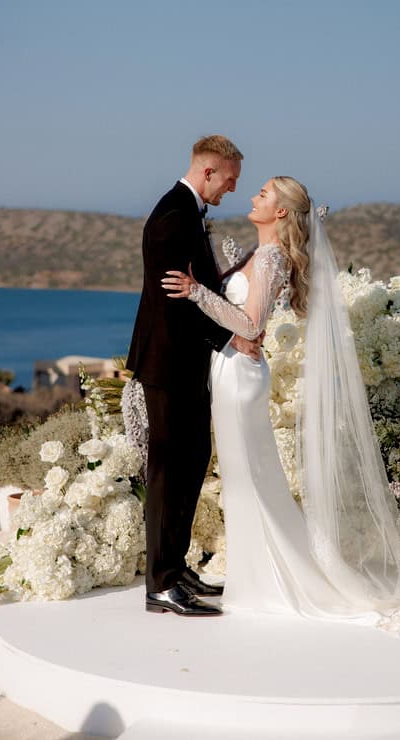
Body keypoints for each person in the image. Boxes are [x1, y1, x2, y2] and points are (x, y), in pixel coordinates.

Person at [161, 176, 400, 628]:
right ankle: (256, 574)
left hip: (241, 377)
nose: (253, 197)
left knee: (249, 478)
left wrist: (195, 291)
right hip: (230, 370)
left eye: (263, 194)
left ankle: (270, 580)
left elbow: (251, 326)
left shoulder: (271, 258)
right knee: (243, 479)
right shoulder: (259, 253)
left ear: (281, 211)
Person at [127, 135, 261, 617]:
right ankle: (161, 585)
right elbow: (175, 303)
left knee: (191, 461)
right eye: (230, 179)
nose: (233, 188)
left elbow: (199, 285)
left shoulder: (187, 211)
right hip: (168, 363)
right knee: (169, 471)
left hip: (185, 362)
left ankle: (175, 567)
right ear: (209, 172)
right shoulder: (172, 216)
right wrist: (230, 337)